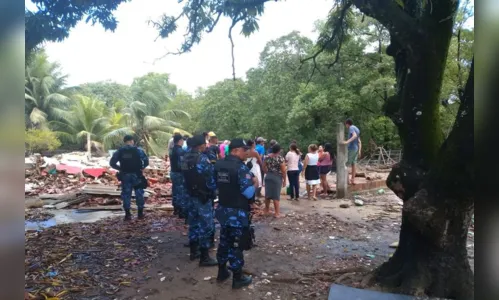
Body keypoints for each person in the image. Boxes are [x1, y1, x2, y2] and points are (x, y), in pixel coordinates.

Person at [214, 138, 256, 289]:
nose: (246, 153)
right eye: (244, 150)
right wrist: (254, 183)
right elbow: (248, 192)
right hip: (237, 213)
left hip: (223, 210)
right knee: (237, 244)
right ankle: (237, 278)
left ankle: (221, 271)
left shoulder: (218, 165)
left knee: (224, 241)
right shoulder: (241, 168)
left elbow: (214, 186)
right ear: (235, 150)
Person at [181, 134, 218, 267]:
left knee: (194, 223)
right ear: (201, 145)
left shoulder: (185, 158)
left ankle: (193, 251)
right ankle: (204, 257)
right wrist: (214, 191)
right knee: (206, 226)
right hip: (202, 196)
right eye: (204, 144)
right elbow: (210, 179)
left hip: (189, 195)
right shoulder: (202, 159)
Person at [110, 135, 149, 221]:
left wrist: (120, 169)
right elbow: (146, 161)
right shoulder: (138, 150)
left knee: (126, 194)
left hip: (125, 176)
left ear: (124, 141)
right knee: (139, 193)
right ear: (132, 141)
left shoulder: (119, 151)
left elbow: (112, 163)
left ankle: (127, 215)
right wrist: (142, 167)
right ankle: (140, 214)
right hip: (137, 175)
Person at [263, 143, 286, 217]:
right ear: (279, 150)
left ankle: (266, 210)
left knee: (268, 194)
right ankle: (277, 213)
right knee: (276, 195)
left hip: (268, 176)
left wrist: (268, 173)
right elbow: (283, 170)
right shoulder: (280, 158)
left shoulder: (267, 157)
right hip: (277, 177)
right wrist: (284, 180)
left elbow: (263, 167)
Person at [170, 134, 186, 218]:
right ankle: (181, 210)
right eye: (182, 140)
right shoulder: (180, 151)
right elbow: (182, 164)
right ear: (180, 141)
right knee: (181, 191)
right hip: (179, 173)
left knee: (175, 190)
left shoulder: (172, 150)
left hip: (173, 172)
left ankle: (176, 208)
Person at [342, 118, 362, 185]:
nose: (346, 127)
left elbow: (354, 136)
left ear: (347, 124)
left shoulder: (351, 128)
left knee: (346, 164)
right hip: (356, 149)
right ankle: (352, 180)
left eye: (346, 125)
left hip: (351, 148)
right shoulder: (357, 129)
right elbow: (359, 141)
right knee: (354, 164)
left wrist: (347, 142)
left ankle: (347, 180)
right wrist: (359, 151)